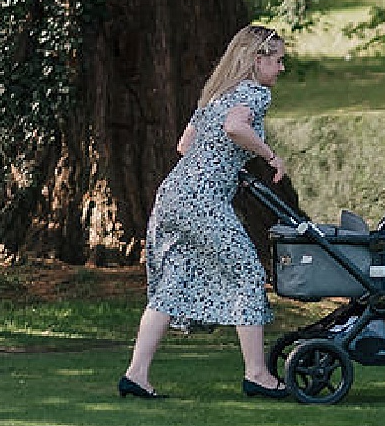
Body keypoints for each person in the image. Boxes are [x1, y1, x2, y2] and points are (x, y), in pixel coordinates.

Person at [118, 24, 292, 400]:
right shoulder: (254, 93)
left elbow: (185, 145)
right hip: (202, 198)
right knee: (248, 271)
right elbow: (235, 129)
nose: (280, 69)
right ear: (256, 59)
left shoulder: (215, 96)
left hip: (173, 195)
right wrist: (269, 155)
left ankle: (137, 375)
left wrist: (228, 164)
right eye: (277, 60)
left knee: (173, 283)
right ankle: (257, 374)